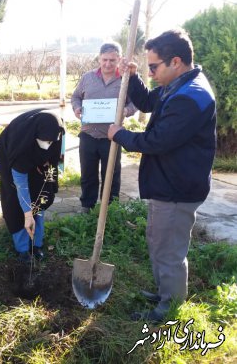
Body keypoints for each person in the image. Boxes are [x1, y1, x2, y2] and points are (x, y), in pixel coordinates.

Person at [108, 30, 216, 322]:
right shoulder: (178, 85)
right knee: (159, 240)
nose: (151, 72)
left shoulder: (191, 97)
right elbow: (146, 102)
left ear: (176, 61)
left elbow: (157, 141)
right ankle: (165, 291)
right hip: (168, 182)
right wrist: (132, 77)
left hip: (177, 187)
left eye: (154, 67)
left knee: (169, 249)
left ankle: (169, 308)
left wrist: (120, 135)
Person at [71, 42, 136, 213]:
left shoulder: (126, 79)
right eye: (104, 59)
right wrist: (77, 108)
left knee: (112, 175)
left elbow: (136, 102)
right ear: (99, 59)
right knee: (88, 174)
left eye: (112, 60)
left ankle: (110, 209)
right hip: (88, 135)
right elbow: (76, 97)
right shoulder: (87, 78)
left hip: (113, 137)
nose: (108, 64)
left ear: (119, 59)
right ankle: (87, 207)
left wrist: (127, 110)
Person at [0, 109, 65, 263]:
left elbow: (56, 159)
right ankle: (23, 249)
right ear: (35, 136)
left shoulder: (56, 131)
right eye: (45, 141)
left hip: (34, 158)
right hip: (10, 159)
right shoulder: (19, 144)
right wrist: (27, 214)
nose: (48, 146)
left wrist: (47, 169)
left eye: (51, 142)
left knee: (40, 197)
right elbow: (21, 187)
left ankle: (37, 244)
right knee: (16, 203)